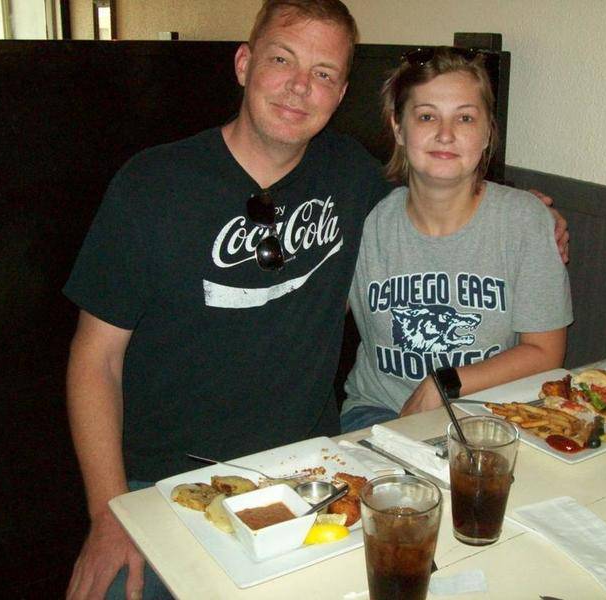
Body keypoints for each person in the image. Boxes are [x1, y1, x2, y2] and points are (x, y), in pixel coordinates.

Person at [63, 2, 568, 598]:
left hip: (314, 465)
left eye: (324, 73)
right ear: (245, 63)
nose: (301, 86)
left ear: (341, 92)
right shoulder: (153, 185)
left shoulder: (352, 179)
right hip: (170, 480)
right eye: (283, 59)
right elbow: (95, 360)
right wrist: (109, 512)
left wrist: (534, 212)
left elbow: (443, 184)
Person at [340, 47, 573, 432]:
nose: (445, 134)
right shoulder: (363, 219)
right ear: (399, 128)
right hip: (380, 413)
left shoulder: (524, 221)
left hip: (493, 416)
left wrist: (444, 383)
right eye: (427, 116)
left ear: (486, 133)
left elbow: (546, 352)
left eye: (465, 118)